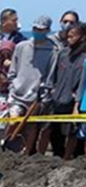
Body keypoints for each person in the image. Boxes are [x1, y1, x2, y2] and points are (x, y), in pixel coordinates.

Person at [5, 16, 59, 154]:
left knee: (32, 127)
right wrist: (12, 86)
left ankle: (27, 153)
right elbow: (13, 70)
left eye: (41, 29)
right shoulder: (21, 47)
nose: (38, 31)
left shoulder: (53, 50)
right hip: (18, 94)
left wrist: (43, 93)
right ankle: (5, 148)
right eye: (35, 29)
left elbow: (51, 75)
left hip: (37, 96)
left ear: (47, 30)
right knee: (13, 122)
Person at [38, 22, 86, 159]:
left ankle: (67, 158)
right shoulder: (63, 53)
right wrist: (52, 89)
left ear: (82, 37)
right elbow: (53, 74)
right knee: (51, 131)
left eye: (73, 36)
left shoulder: (84, 58)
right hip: (56, 99)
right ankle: (55, 156)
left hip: (73, 101)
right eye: (68, 36)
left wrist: (76, 100)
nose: (69, 39)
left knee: (71, 132)